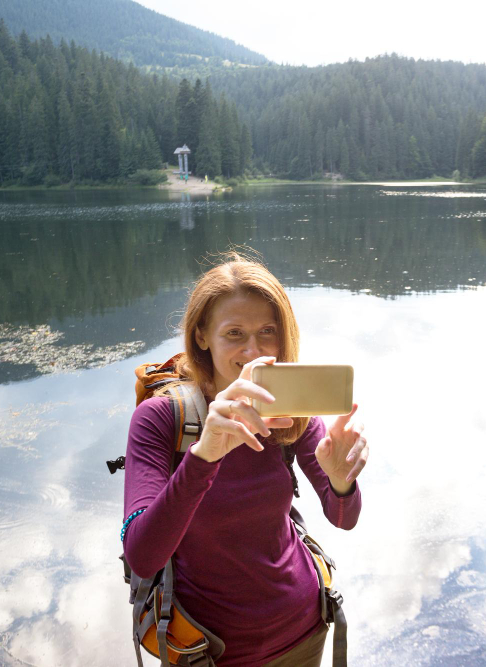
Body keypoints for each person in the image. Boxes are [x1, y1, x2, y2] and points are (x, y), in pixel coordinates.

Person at [122, 252, 368, 666]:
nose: (253, 350)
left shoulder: (290, 410)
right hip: (207, 649)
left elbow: (343, 517)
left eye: (267, 331)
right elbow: (142, 555)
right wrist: (204, 456)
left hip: (304, 629)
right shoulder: (162, 420)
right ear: (202, 335)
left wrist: (342, 480)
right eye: (234, 333)